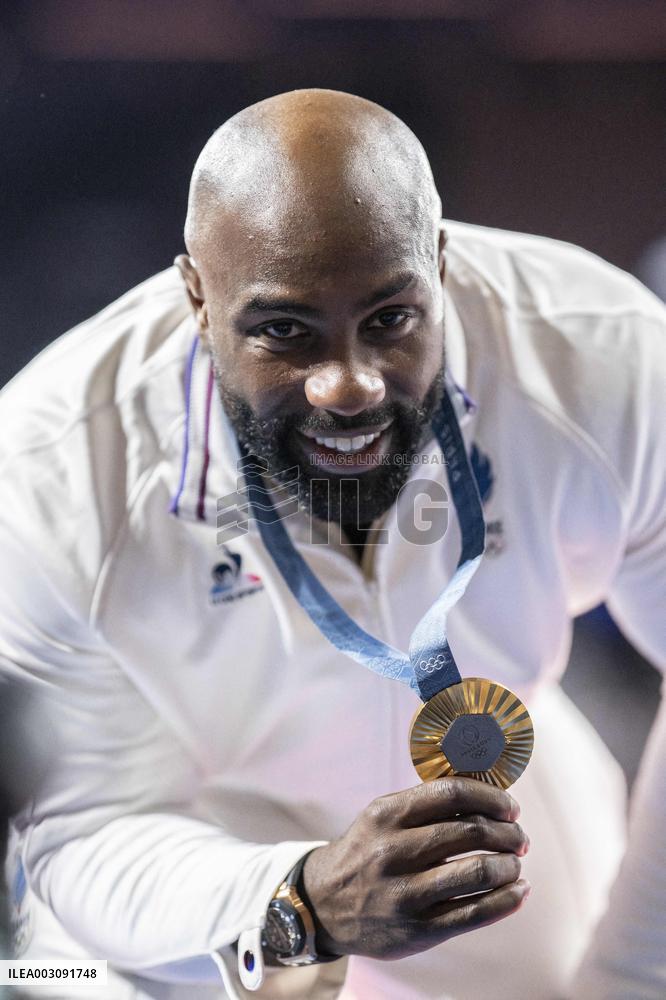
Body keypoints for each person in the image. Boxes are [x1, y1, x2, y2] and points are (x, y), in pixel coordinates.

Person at [0, 89, 664, 1000]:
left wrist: (632, 975)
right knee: (56, 978)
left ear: (439, 262)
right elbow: (79, 826)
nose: (346, 385)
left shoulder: (606, 357)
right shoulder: (52, 465)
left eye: (390, 319)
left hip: (493, 796)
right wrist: (298, 904)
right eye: (284, 330)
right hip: (185, 843)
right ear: (197, 296)